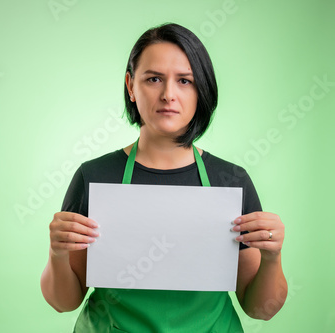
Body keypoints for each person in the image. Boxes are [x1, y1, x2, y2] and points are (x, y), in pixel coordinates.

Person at [40, 23, 287, 332]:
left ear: (202, 90)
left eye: (185, 81)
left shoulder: (230, 181)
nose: (169, 94)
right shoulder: (95, 176)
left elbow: (260, 310)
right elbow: (64, 302)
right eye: (154, 79)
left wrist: (272, 257)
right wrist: (57, 253)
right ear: (131, 86)